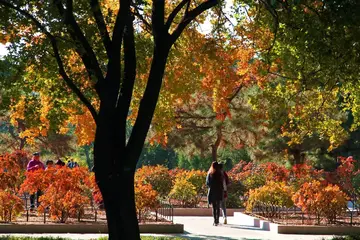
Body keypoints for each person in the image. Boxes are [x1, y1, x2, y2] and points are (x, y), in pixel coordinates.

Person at [206, 161, 223, 226]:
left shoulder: (210, 173)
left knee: (214, 207)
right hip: (218, 191)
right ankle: (217, 220)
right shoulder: (219, 174)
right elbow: (221, 183)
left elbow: (207, 183)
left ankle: (214, 221)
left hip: (212, 191)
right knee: (218, 206)